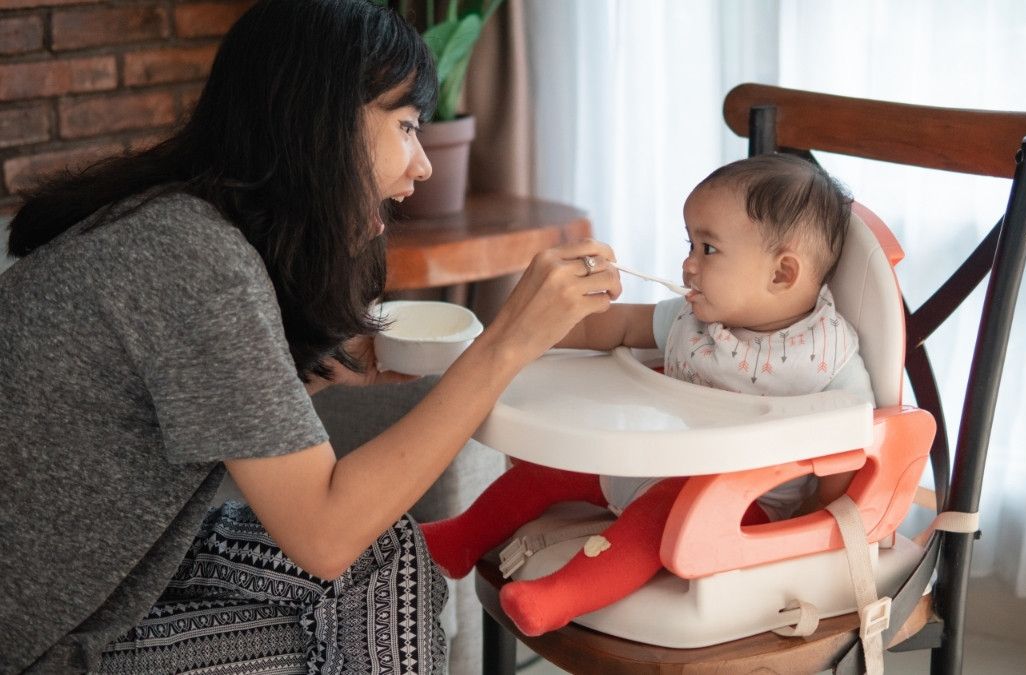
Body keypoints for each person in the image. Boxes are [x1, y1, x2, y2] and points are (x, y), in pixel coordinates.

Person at [0, 1, 622, 672]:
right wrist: (504, 345)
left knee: (392, 560)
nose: (424, 167)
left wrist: (316, 365)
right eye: (407, 126)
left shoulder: (181, 227)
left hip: (118, 578)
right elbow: (324, 533)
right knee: (380, 588)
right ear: (322, 124)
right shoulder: (190, 259)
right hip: (42, 634)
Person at [420, 153, 876, 637]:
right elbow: (618, 326)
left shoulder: (826, 355)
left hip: (739, 501)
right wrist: (530, 331)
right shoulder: (693, 320)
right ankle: (462, 537)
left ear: (782, 274)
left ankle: (560, 595)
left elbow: (848, 436)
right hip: (655, 461)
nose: (688, 264)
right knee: (549, 470)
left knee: (656, 520)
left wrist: (810, 523)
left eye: (709, 249)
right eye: (691, 244)